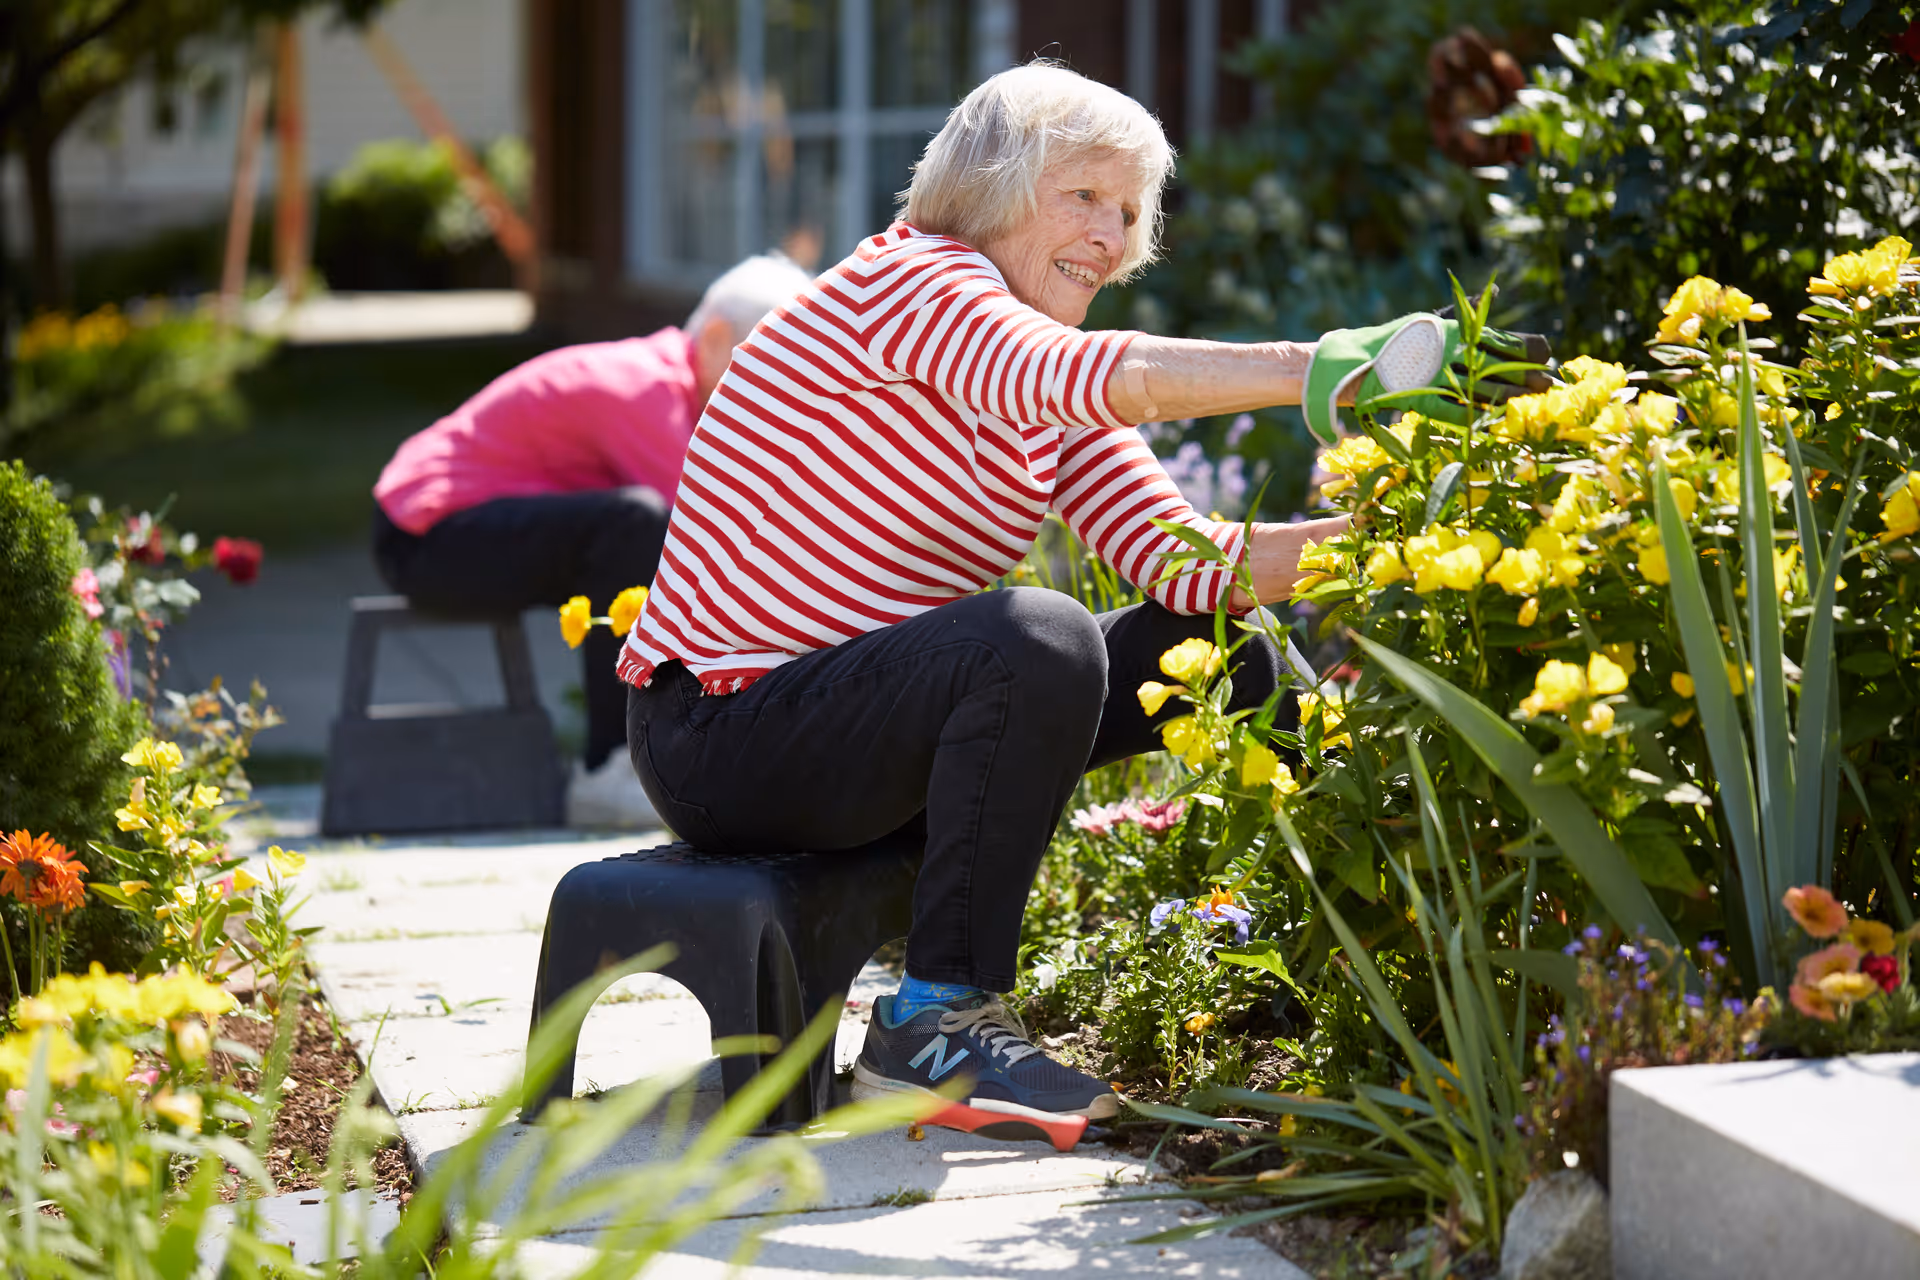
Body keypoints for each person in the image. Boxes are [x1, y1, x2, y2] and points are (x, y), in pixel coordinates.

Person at [619, 63, 1515, 1122]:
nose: (1110, 231)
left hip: (849, 728)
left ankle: (1371, 935)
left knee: (1221, 642)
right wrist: (1318, 367)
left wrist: (1408, 539)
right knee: (1036, 636)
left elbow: (1190, 560)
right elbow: (1081, 375)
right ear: (995, 188)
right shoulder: (915, 283)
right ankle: (934, 1022)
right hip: (726, 733)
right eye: (1082, 195)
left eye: (1129, 209)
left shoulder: (1048, 374)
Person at [369, 254, 814, 825]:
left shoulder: (678, 388)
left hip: (459, 527)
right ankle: (609, 771)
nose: (780, 389)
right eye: (771, 364)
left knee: (634, 529)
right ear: (718, 336)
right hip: (425, 539)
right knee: (636, 522)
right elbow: (715, 532)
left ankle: (659, 758)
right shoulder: (646, 388)